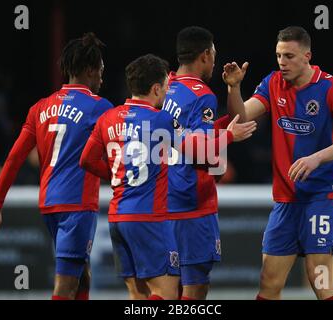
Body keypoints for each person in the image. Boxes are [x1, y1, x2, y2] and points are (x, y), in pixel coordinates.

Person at [80, 54, 254, 300]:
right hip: (148, 217)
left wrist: (119, 177)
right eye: (165, 86)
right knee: (167, 292)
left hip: (116, 217)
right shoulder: (159, 119)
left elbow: (86, 160)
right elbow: (195, 150)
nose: (168, 91)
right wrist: (228, 136)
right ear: (155, 88)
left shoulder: (108, 118)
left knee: (138, 294)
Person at [223, 26, 333, 300]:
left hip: (322, 195)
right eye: (278, 55)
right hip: (286, 200)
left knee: (319, 278)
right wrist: (234, 89)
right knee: (268, 282)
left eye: (288, 56)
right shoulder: (273, 82)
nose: (282, 62)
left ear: (307, 56)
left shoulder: (331, 87)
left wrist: (317, 157)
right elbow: (239, 117)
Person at [0, 32, 113, 300]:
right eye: (100, 71)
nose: (102, 78)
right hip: (77, 205)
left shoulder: (40, 108)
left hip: (50, 203)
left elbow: (14, 158)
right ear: (89, 70)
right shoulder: (100, 107)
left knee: (81, 274)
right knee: (65, 286)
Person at [164, 26, 257, 300]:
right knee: (195, 289)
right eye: (213, 53)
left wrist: (234, 88)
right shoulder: (201, 94)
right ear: (205, 55)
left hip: (161, 201)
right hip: (192, 203)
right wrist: (227, 137)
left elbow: (232, 119)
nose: (215, 60)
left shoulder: (162, 88)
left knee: (167, 289)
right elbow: (198, 150)